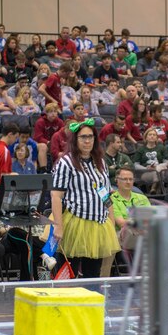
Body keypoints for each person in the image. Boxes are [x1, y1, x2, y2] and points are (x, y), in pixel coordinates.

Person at [50, 119, 121, 279]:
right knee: (68, 274)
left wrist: (111, 221)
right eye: (83, 137)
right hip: (75, 223)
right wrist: (58, 226)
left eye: (90, 136)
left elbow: (105, 192)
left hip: (99, 225)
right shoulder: (66, 162)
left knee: (93, 275)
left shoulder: (100, 161)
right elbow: (56, 196)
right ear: (75, 139)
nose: (87, 140)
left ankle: (91, 304)